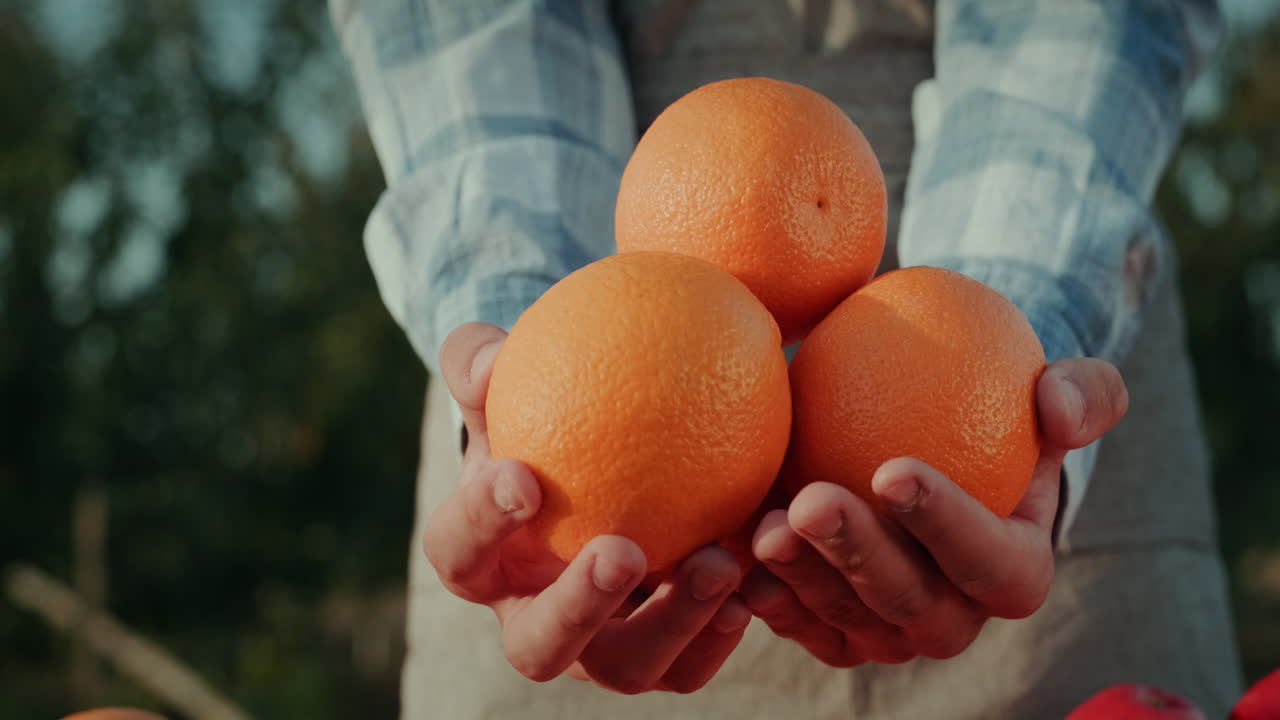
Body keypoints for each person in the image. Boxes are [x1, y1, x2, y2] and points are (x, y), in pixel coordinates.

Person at [329, 0, 1245, 717]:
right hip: (590, 516)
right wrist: (523, 350)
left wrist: (1013, 360)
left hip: (1053, 526)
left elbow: (1081, 23)